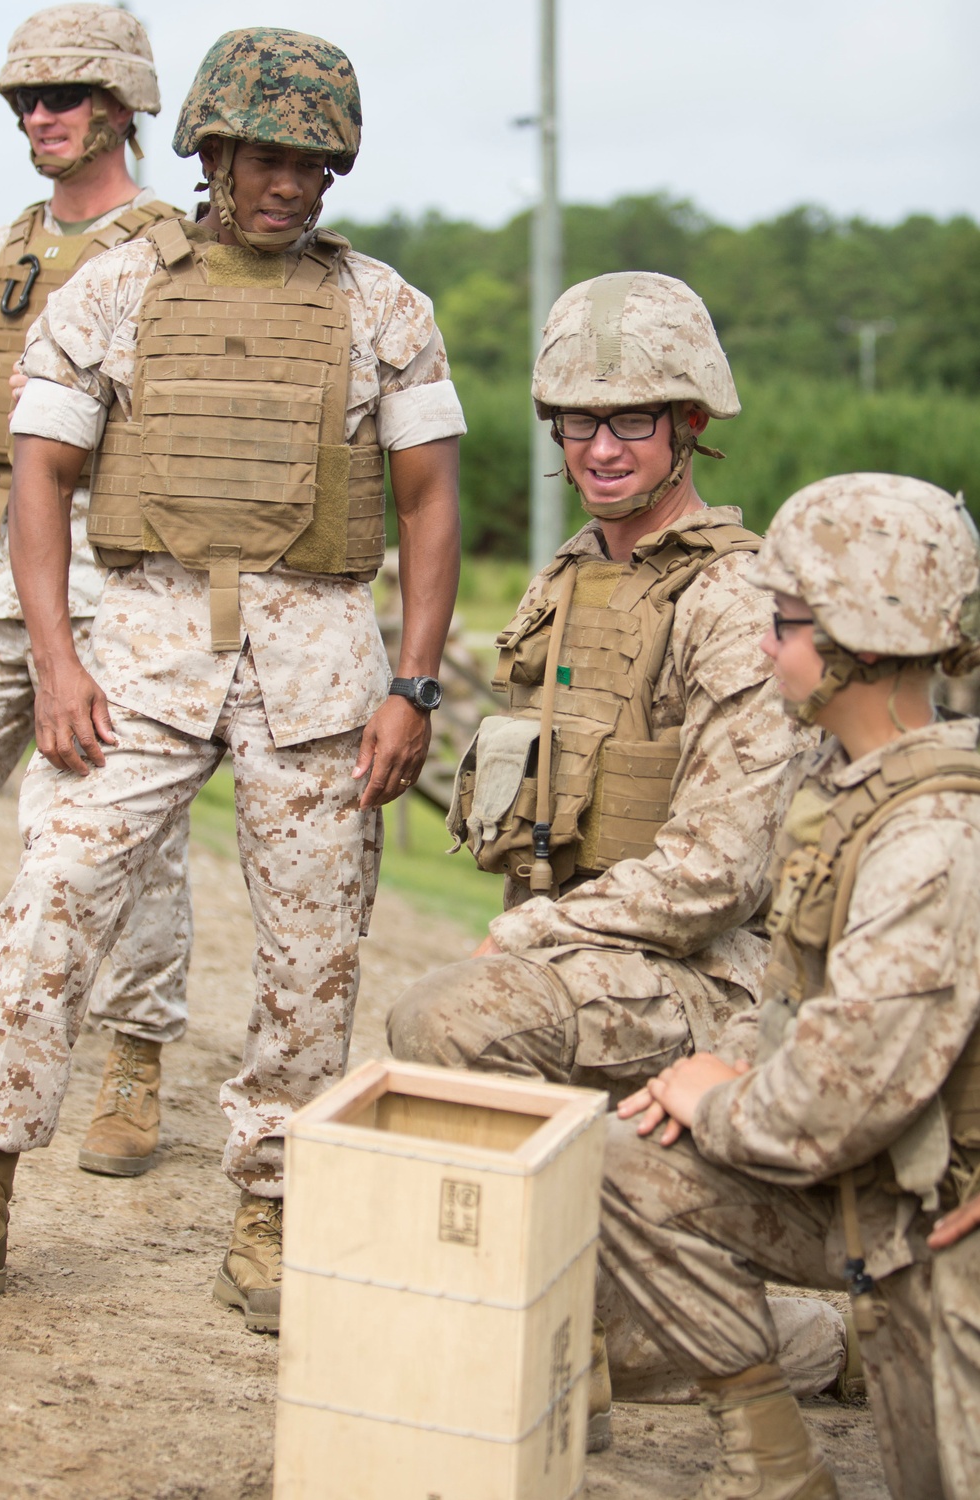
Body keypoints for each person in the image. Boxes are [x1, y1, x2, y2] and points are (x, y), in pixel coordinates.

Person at [0, 28, 464, 1330]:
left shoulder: (381, 305)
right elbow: (39, 481)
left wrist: (412, 687)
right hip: (136, 652)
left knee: (314, 958)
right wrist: (60, 660)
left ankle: (270, 1205)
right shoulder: (112, 288)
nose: (289, 184)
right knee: (49, 907)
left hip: (318, 665)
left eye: (314, 161)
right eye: (263, 154)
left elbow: (428, 503)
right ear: (207, 149)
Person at [388, 271, 845, 1444]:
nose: (598, 446)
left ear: (690, 423)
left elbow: (716, 873)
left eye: (631, 418)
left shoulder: (735, 598)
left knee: (449, 1024)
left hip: (716, 977)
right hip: (595, 950)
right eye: (575, 421)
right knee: (447, 1032)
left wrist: (534, 936)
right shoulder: (566, 579)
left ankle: (652, 1345)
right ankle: (586, 1344)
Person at [603, 473, 980, 1499]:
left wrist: (713, 1095)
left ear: (855, 641)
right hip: (880, 1189)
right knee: (625, 1159)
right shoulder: (845, 785)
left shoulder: (931, 841)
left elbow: (825, 1107)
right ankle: (773, 1469)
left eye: (785, 621)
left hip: (925, 1219)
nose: (766, 644)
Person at [0, 3, 191, 1180]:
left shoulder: (168, 252)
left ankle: (135, 1057)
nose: (40, 118)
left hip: (115, 575)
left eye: (62, 97)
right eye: (23, 101)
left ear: (120, 107)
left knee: (127, 831)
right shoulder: (16, 242)